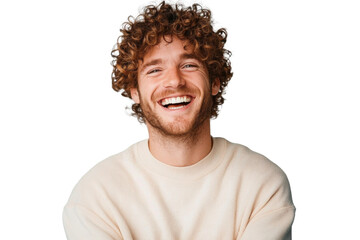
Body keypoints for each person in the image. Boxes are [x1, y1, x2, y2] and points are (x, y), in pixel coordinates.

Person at [63, 1, 295, 239]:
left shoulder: (262, 184)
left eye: (189, 65)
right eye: (154, 70)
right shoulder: (95, 197)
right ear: (134, 91)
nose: (174, 81)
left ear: (214, 82)